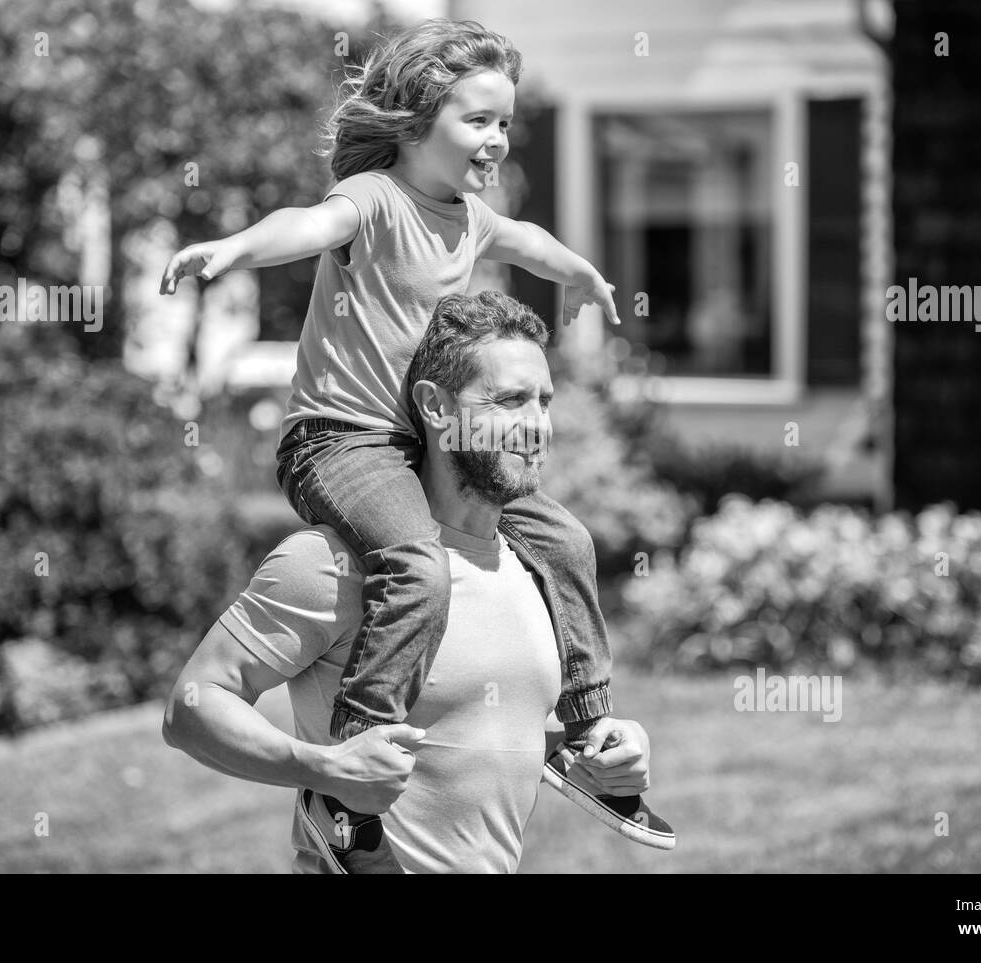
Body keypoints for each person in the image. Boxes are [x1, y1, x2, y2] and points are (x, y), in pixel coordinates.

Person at [160, 18, 670, 871]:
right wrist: (235, 250)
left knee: (567, 539)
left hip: (407, 439)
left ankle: (583, 737)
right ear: (414, 121)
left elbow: (525, 242)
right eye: (477, 121)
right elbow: (304, 226)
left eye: (505, 123)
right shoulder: (377, 198)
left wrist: (579, 272)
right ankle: (351, 779)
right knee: (417, 564)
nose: (496, 140)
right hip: (340, 437)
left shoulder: (470, 218)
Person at [163, 292, 673, 873]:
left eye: (543, 402)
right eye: (507, 401)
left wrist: (600, 751)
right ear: (434, 406)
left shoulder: (537, 568)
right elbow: (192, 707)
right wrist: (321, 769)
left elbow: (474, 733)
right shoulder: (336, 565)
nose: (534, 427)